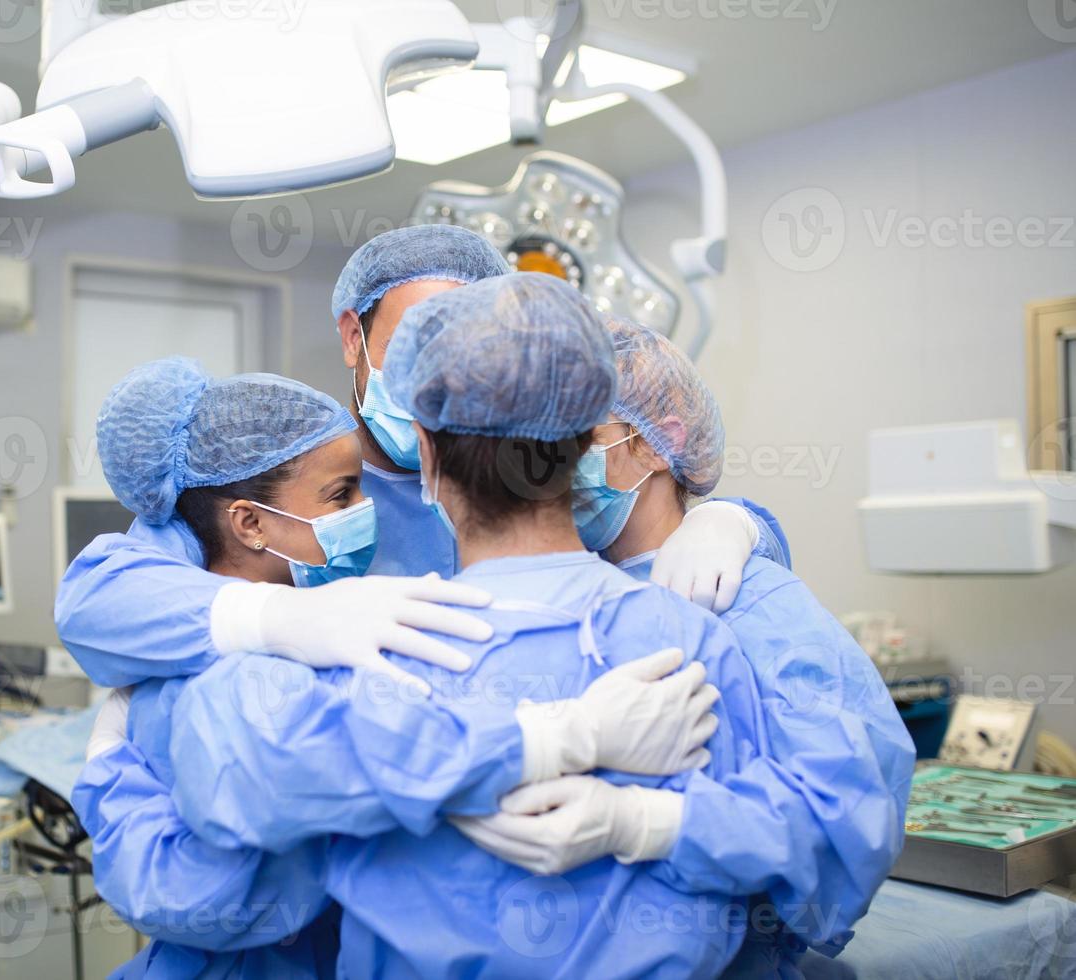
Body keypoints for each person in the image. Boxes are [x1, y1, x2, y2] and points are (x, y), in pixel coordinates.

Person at [162, 273, 776, 977]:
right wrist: (641, 819)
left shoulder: (368, 652)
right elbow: (806, 850)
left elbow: (224, 792)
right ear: (584, 447)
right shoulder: (695, 637)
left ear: (424, 458)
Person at [56, 225, 785, 696]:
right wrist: (280, 618)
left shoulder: (533, 475)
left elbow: (670, 571)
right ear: (353, 337)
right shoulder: (278, 477)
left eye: (468, 345)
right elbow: (99, 607)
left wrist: (731, 521)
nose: (444, 374)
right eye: (416, 345)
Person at [452, 317, 917, 976]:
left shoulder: (752, 603)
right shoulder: (550, 584)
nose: (554, 453)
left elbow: (846, 826)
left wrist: (655, 824)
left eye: (583, 430)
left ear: (659, 444)